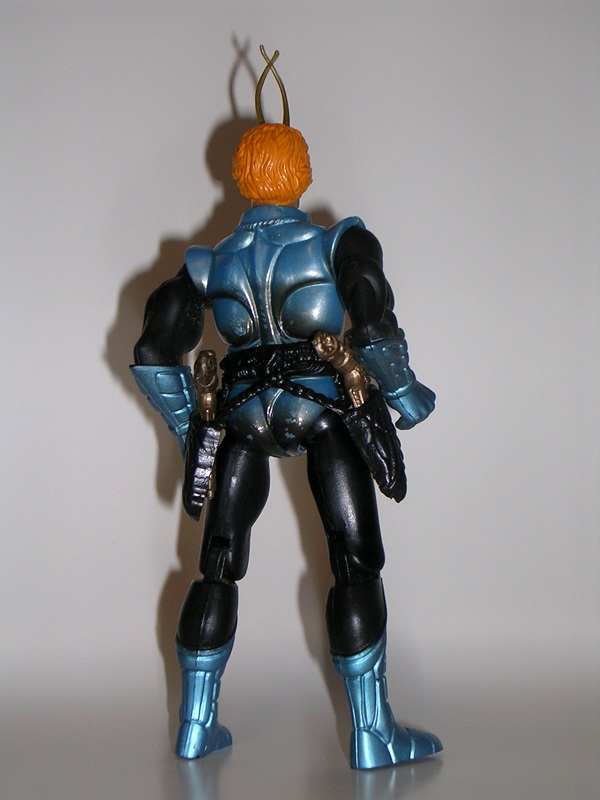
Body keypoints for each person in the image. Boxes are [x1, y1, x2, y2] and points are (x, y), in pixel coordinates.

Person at [131, 53, 442, 771]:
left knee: (216, 565)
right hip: (321, 408)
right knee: (354, 562)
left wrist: (189, 429)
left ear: (243, 177)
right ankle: (372, 733)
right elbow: (371, 314)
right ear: (300, 174)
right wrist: (403, 393)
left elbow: (152, 351)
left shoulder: (210, 263)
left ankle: (195, 726)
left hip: (242, 417)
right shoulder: (335, 242)